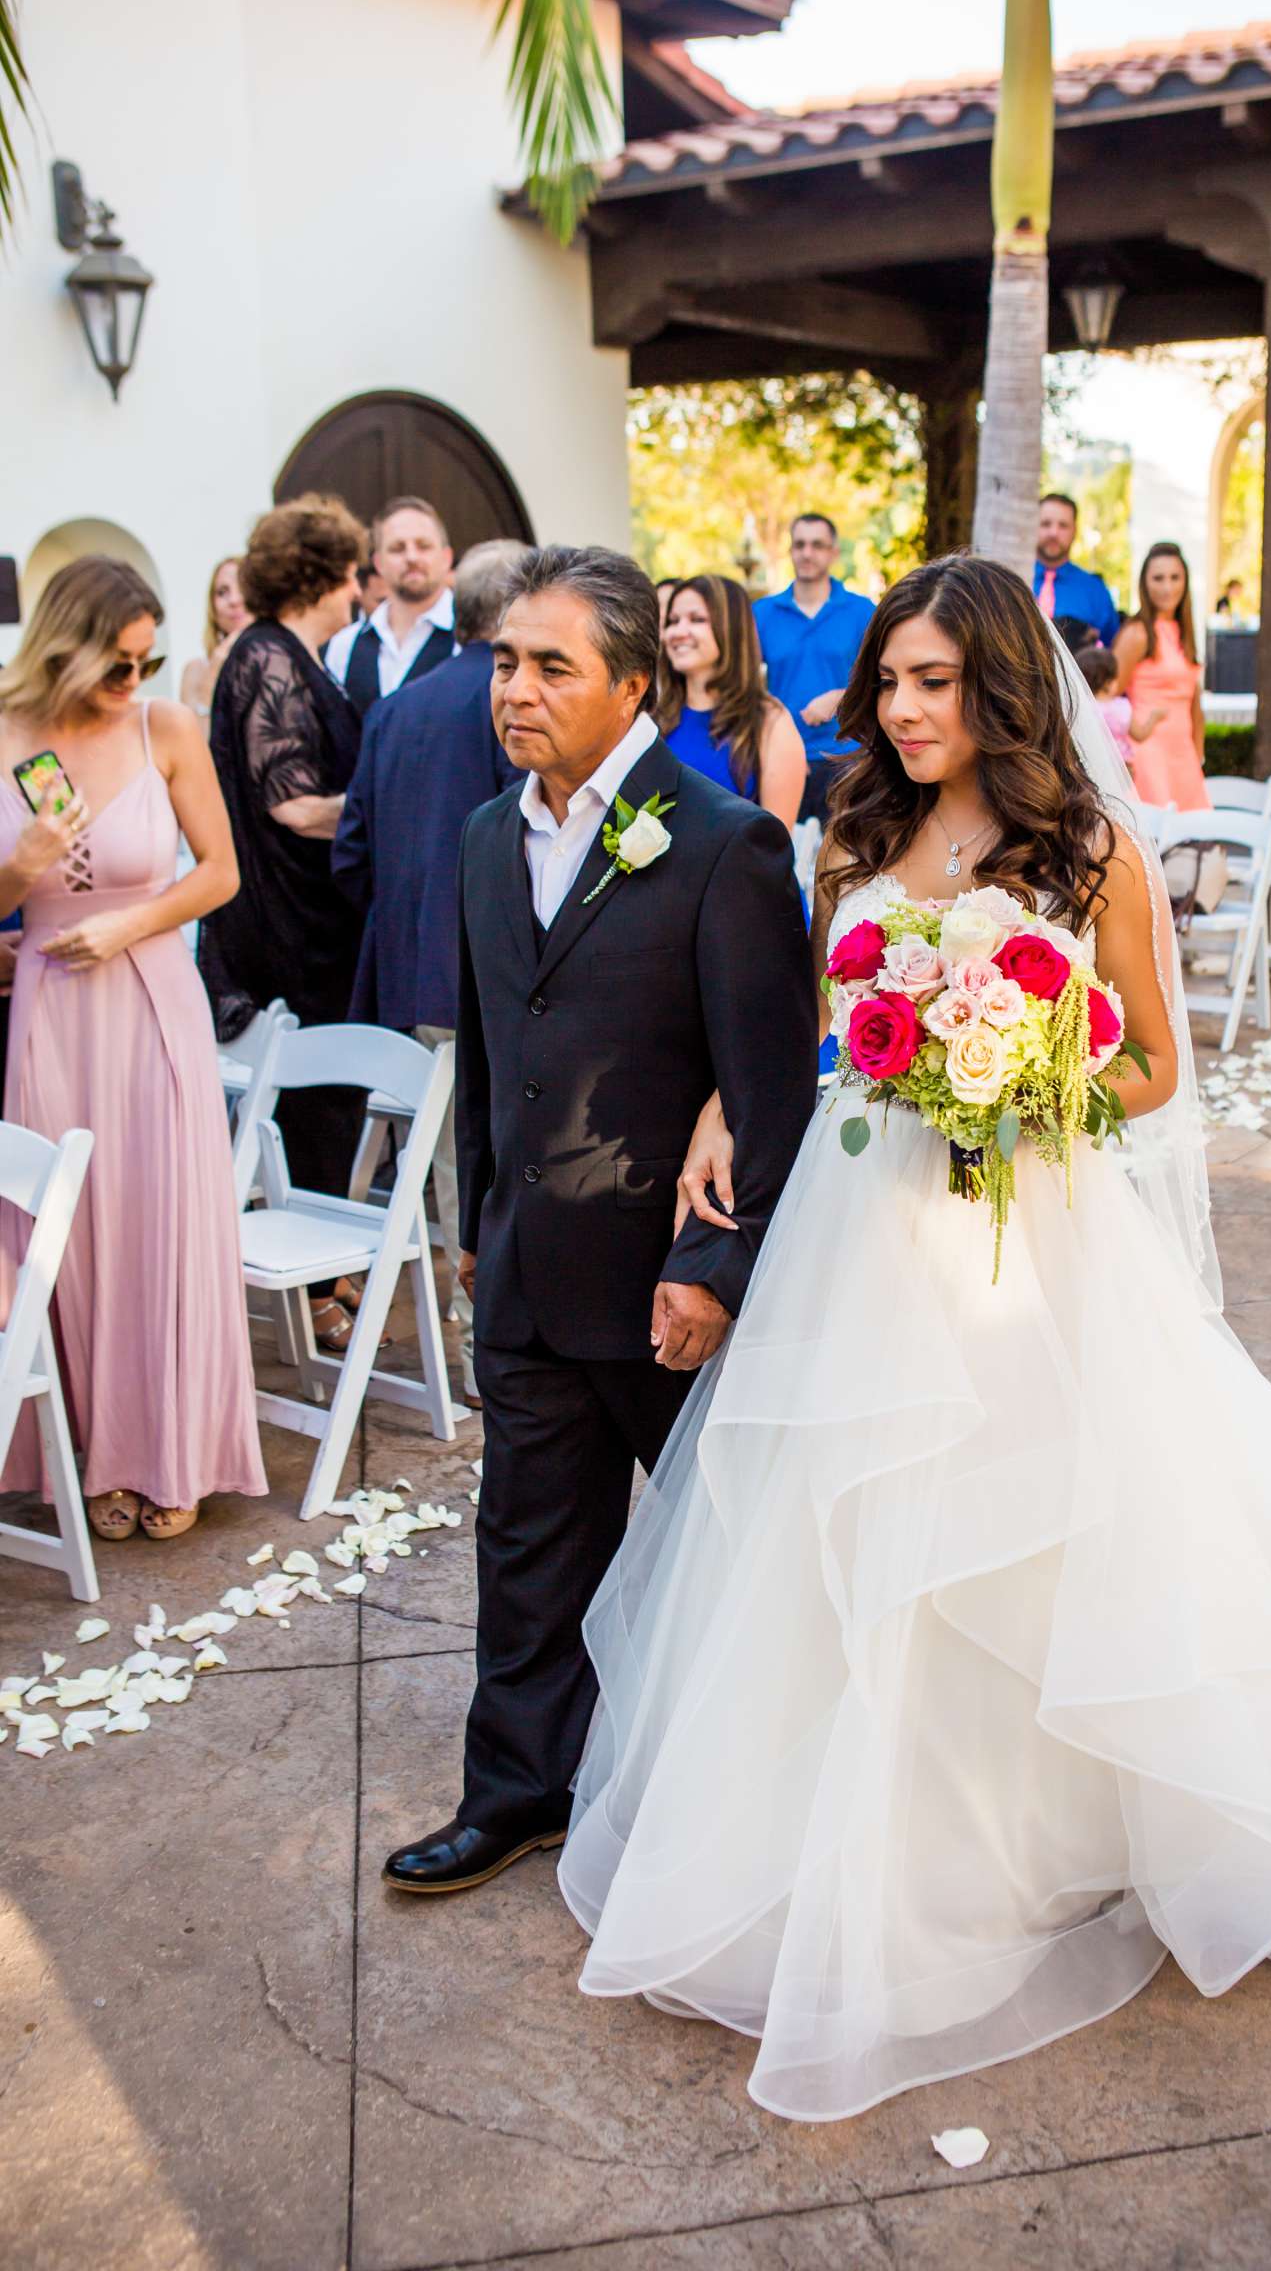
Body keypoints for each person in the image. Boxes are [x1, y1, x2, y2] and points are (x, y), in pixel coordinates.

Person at [556, 553, 1271, 2124]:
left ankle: (1060, 1818)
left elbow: (1157, 1072)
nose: (905, 712)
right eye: (889, 684)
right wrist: (728, 1103)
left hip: (1028, 1228)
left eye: (935, 684)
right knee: (844, 1522)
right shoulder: (851, 836)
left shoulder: (1089, 849)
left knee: (1038, 1511)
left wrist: (1010, 1077)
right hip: (864, 1228)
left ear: (999, 687)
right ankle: (863, 1833)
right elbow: (795, 1035)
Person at [381, 544, 816, 1898]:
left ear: (632, 684)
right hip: (523, 1270)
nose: (515, 689)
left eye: (550, 666)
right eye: (508, 662)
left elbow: (765, 1090)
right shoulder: (479, 835)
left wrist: (713, 1269)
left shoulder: (723, 843)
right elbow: (490, 1053)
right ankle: (515, 1793)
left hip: (659, 1290)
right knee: (524, 1554)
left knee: (718, 1563)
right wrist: (473, 1219)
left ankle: (738, 1805)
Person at [0, 556, 265, 1540]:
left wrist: (128, 926)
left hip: (151, 998)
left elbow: (222, 874)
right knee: (64, 1233)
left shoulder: (166, 728)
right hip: (50, 1013)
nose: (132, 685)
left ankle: (171, 1450)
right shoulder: (4, 732)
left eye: (144, 664)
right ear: (64, 649)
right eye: (118, 666)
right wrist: (18, 870)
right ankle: (90, 1452)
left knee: (159, 1224)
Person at [332, 539, 527, 1407]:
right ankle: (491, 1338)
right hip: (491, 972)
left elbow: (351, 854)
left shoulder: (396, 709)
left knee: (444, 1157)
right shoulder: (508, 701)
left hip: (408, 974)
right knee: (490, 1151)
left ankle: (465, 1320)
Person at [201, 494, 368, 1354]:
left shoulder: (291, 650)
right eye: (352, 572)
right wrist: (380, 808)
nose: (360, 589)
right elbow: (293, 802)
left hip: (303, 913)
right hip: (291, 920)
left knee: (322, 1104)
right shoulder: (268, 654)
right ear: (325, 574)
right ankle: (322, 1289)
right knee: (321, 1101)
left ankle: (326, 1280)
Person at [752, 514, 875, 826]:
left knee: (845, 862)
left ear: (833, 553)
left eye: (817, 545)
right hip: (783, 758)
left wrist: (841, 696)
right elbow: (742, 683)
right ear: (791, 551)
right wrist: (773, 745)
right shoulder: (763, 613)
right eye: (800, 544)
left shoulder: (861, 611)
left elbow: (883, 680)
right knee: (783, 858)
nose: (807, 553)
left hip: (847, 758)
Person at [658, 575, 806, 826]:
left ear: (731, 628)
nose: (677, 632)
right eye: (673, 621)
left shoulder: (769, 721)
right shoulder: (653, 715)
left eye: (697, 619)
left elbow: (775, 845)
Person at [324, 496, 455, 719]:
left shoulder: (470, 638)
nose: (412, 557)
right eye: (397, 548)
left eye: (423, 546)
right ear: (378, 563)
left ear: (446, 557)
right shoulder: (343, 647)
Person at [1114, 542, 1209, 810]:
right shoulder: (1136, 633)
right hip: (1147, 753)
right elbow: (1107, 696)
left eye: (1174, 577)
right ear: (1145, 583)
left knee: (1194, 840)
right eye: (1158, 578)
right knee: (1157, 841)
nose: (1167, 587)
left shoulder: (1184, 632)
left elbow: (1194, 705)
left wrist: (1197, 755)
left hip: (1184, 754)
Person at [1033, 492, 1119, 644]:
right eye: (1046, 524)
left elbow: (1111, 648)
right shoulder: (1011, 580)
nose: (1054, 533)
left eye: (1063, 525)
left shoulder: (1094, 590)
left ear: (1074, 531)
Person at [178, 555, 250, 725]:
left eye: (243, 588)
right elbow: (195, 747)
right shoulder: (196, 669)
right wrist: (211, 679)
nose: (234, 600)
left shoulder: (282, 660)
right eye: (222, 592)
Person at [1076, 639, 1167, 765]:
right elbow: (1140, 735)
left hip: (1091, 764)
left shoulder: (1082, 708)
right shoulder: (1121, 708)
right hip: (1122, 765)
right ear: (1108, 683)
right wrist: (1154, 718)